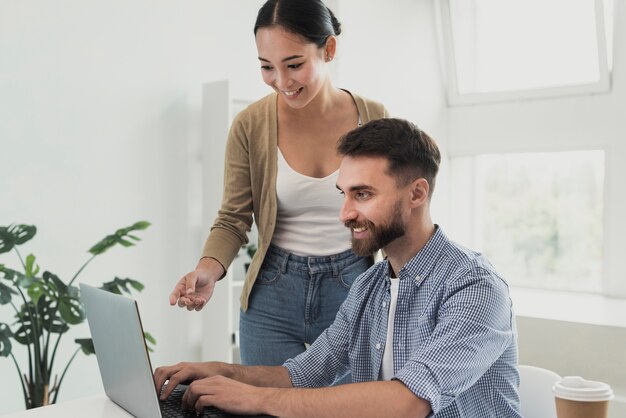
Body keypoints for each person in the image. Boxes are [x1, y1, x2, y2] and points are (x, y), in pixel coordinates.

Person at [155, 118, 521, 418]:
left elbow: (408, 403)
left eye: (362, 194)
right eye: (343, 194)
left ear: (416, 194)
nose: (345, 213)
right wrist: (223, 373)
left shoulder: (475, 287)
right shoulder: (369, 287)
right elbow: (300, 374)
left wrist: (255, 399)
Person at [168, 0, 388, 367]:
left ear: (328, 49)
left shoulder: (374, 118)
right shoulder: (249, 125)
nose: (281, 82)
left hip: (353, 289)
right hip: (272, 294)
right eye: (267, 67)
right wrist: (207, 270)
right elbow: (233, 219)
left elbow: (391, 209)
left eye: (294, 65)